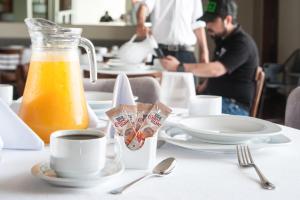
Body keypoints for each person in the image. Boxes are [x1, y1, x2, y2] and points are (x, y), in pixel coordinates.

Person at [160, 0, 259, 116]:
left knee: (181, 111)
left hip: (235, 107)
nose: (208, 25)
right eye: (207, 21)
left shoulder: (242, 43)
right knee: (173, 105)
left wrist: (178, 67)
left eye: (212, 21)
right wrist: (204, 86)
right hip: (216, 100)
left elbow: (216, 70)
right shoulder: (222, 39)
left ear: (228, 20)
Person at [136, 0, 209, 64]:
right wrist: (140, 23)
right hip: (160, 53)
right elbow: (144, 6)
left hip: (186, 54)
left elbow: (198, 24)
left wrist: (204, 51)